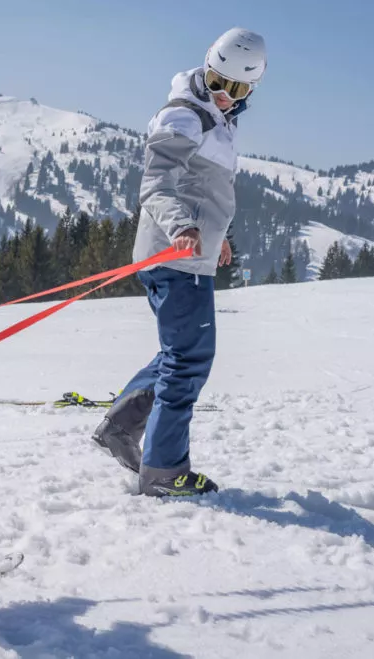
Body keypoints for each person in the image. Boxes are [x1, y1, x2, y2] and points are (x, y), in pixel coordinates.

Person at [92, 28, 267, 497]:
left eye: (237, 88)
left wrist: (218, 237)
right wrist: (182, 229)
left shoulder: (218, 119)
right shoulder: (185, 117)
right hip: (174, 256)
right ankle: (164, 470)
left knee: (180, 354)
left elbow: (203, 189)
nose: (224, 95)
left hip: (189, 255)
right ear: (205, 67)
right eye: (216, 81)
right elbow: (157, 183)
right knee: (189, 360)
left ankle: (120, 426)